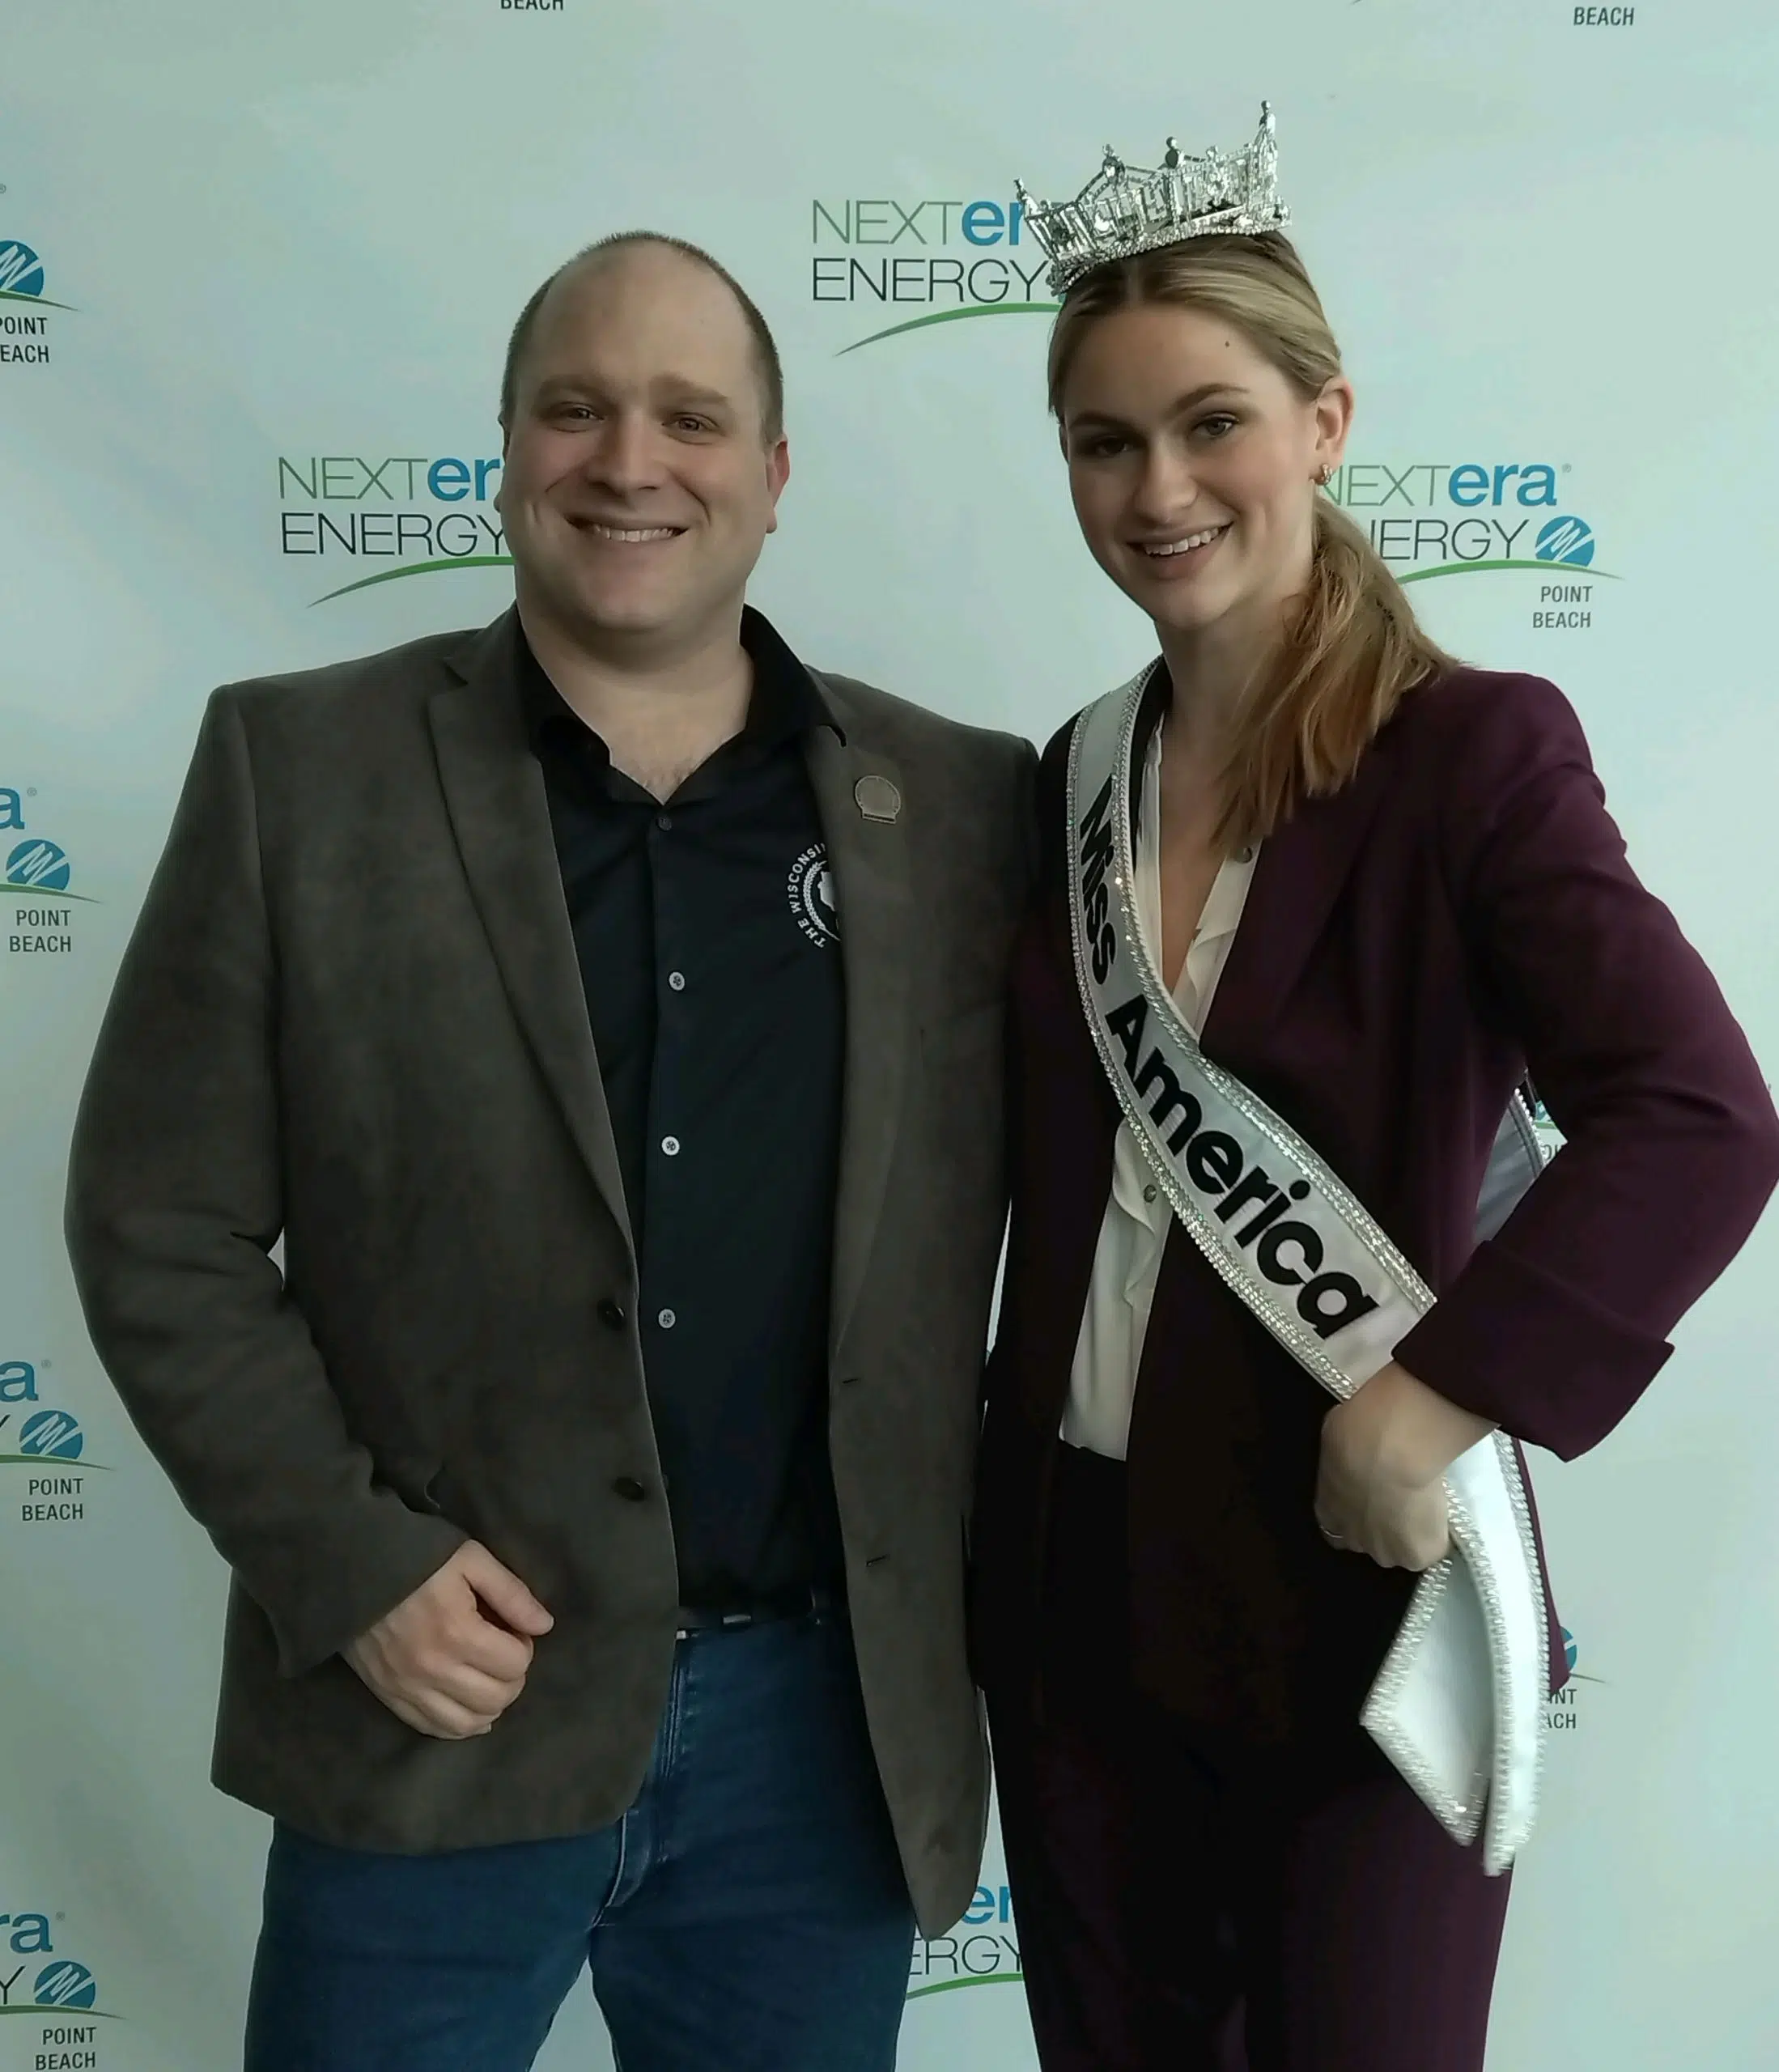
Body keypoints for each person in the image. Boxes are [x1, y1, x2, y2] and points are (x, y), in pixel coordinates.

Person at [66, 230, 1034, 2072]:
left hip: (822, 1743)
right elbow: (156, 1220)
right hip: (436, 1710)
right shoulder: (300, 769)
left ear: (771, 473)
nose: (628, 460)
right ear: (506, 446)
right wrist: (347, 1561)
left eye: (690, 415)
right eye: (573, 409)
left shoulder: (971, 807)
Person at [970, 126, 1779, 2072]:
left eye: (1211, 421)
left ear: (1325, 422)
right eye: (1103, 439)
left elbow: (1698, 1112)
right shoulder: (1068, 777)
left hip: (1358, 1587)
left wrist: (1435, 1398)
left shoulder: (1469, 755)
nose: (1157, 487)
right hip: (1075, 1590)